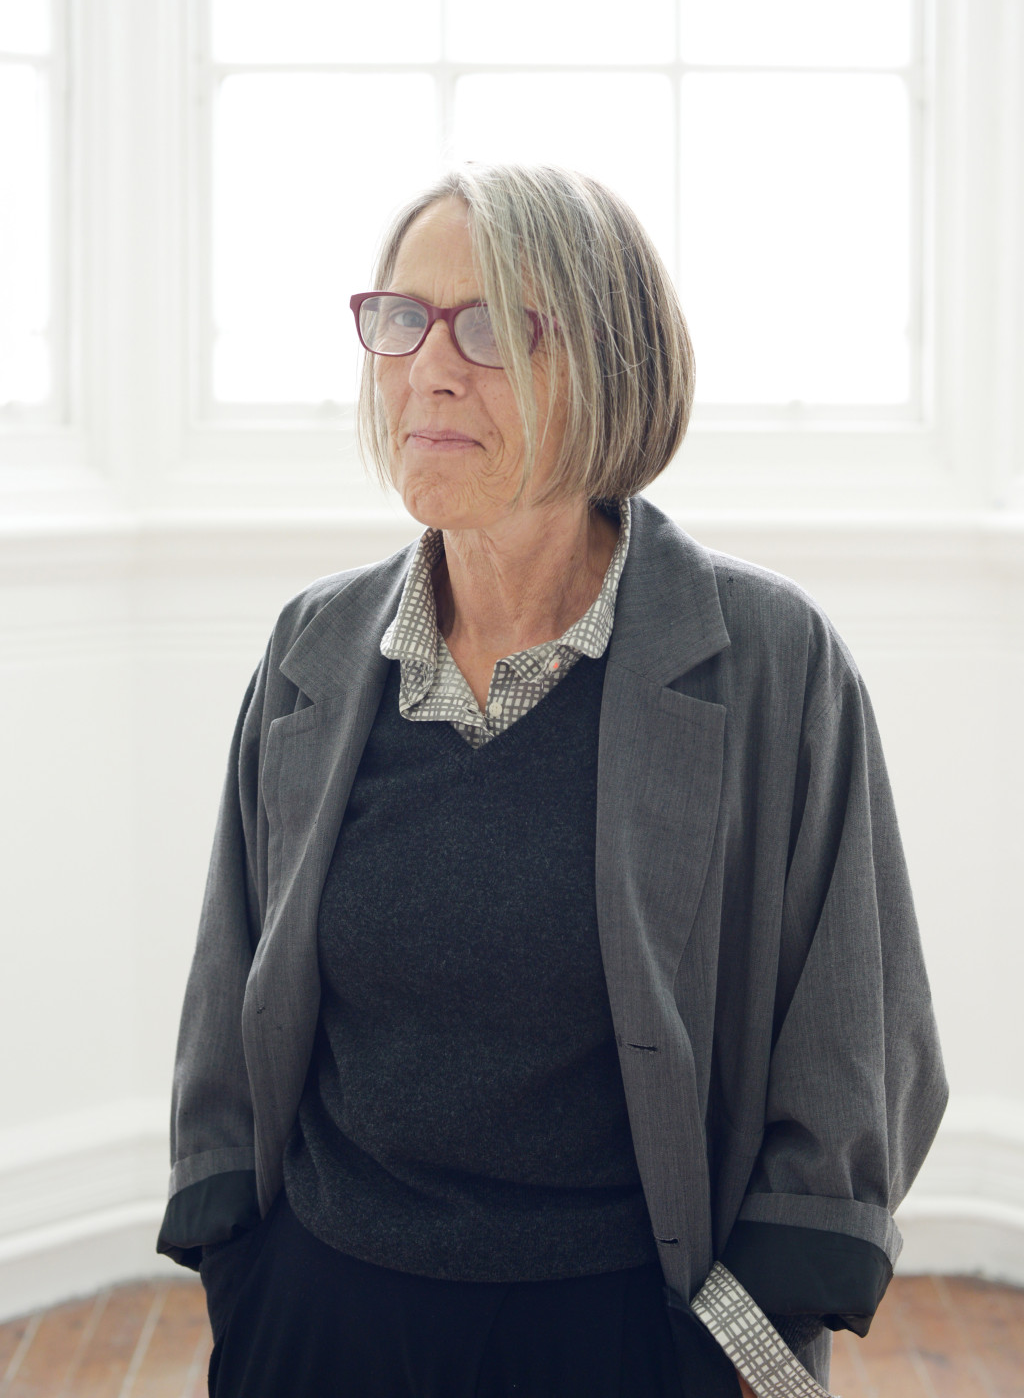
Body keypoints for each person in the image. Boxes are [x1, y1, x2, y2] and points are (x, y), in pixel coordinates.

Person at [156, 162, 947, 1398]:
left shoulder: (773, 661)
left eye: (491, 324)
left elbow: (857, 1037)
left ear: (611, 362)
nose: (429, 364)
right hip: (322, 1319)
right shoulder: (312, 647)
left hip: (628, 1331)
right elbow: (228, 981)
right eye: (403, 317)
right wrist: (243, 1273)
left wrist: (734, 1349)